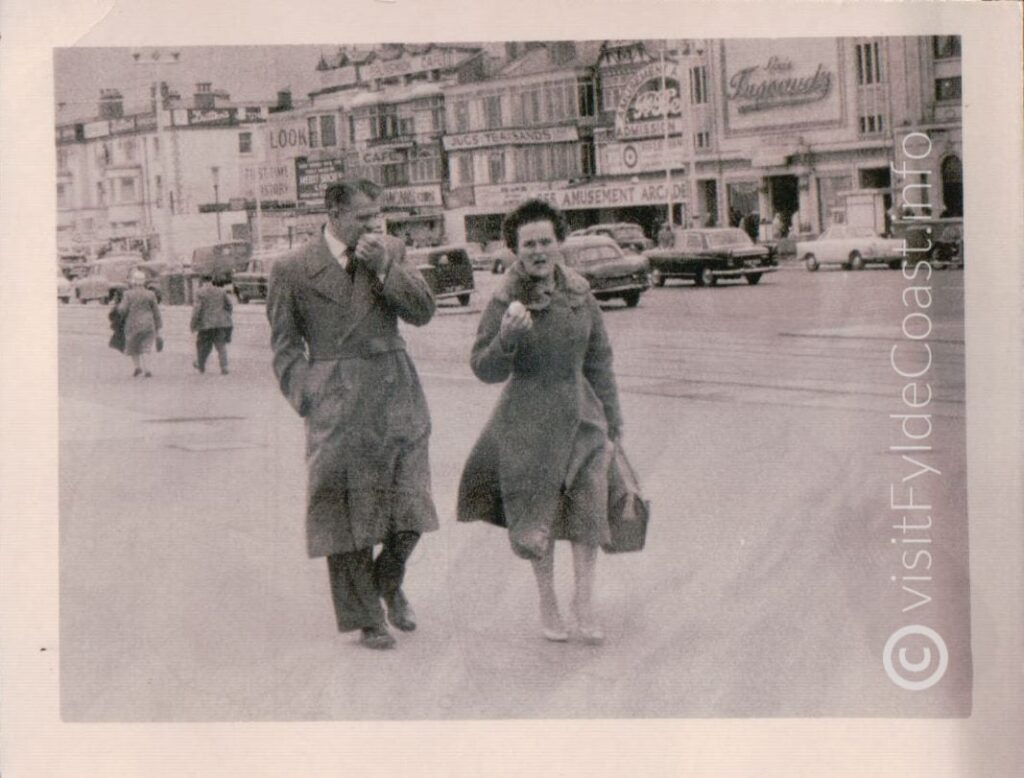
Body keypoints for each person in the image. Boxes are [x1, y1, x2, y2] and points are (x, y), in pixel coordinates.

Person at [267, 179, 439, 651]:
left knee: (412, 506)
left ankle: (388, 578)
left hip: (394, 389)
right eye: (363, 217)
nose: (373, 224)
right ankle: (367, 618)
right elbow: (284, 347)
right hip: (335, 400)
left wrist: (384, 266)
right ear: (335, 214)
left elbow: (424, 311)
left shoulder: (390, 251)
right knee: (344, 512)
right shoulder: (291, 268)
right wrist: (309, 395)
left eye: (376, 214)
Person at [457, 199, 625, 646]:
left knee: (589, 513)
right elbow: (483, 367)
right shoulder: (503, 298)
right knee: (540, 518)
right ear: (514, 249)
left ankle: (584, 602)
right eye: (528, 244)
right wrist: (506, 340)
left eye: (545, 242)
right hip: (528, 422)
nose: (537, 251)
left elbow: (600, 360)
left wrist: (614, 421)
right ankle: (547, 599)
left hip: (583, 416)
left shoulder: (580, 293)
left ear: (559, 243)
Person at [116, 268, 162, 378]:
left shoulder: (128, 294)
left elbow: (122, 310)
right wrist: (158, 325)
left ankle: (137, 367)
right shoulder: (150, 294)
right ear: (144, 281)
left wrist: (118, 309)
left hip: (133, 324)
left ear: (133, 281)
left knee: (133, 346)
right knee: (146, 346)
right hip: (148, 323)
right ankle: (147, 369)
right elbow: (156, 311)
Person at [190, 274, 233, 375]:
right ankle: (224, 366)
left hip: (205, 324)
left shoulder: (199, 292)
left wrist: (193, 323)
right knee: (221, 346)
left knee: (202, 345)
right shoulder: (221, 291)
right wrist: (225, 316)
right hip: (220, 323)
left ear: (201, 280)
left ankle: (201, 366)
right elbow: (229, 306)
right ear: (212, 279)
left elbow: (197, 310)